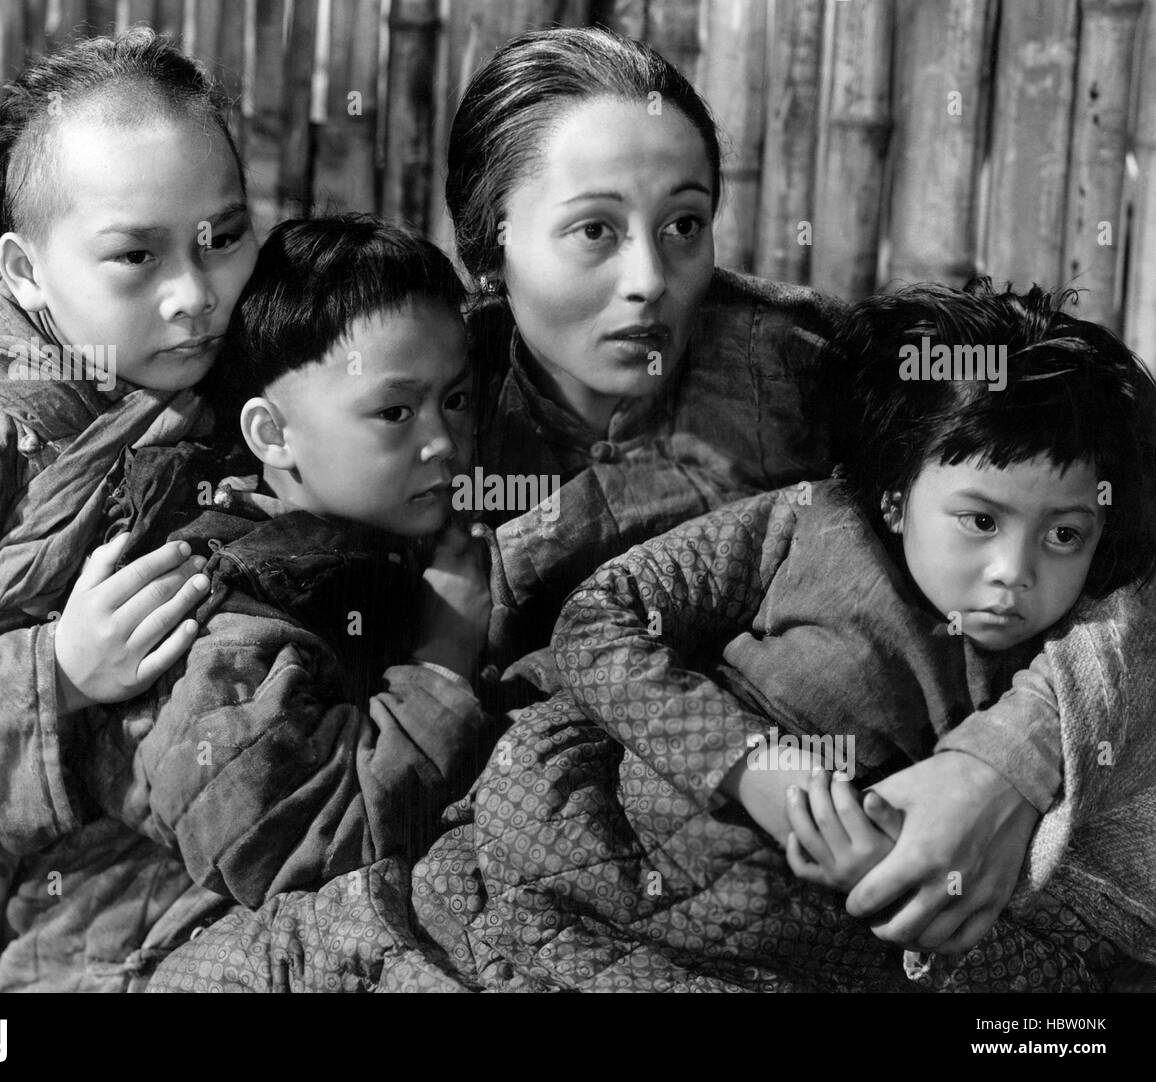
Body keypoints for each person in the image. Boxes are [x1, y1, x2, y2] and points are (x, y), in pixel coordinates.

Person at [443, 25, 1066, 959]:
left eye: (684, 225)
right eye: (594, 231)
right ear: (489, 247)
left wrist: (1006, 764)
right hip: (546, 851)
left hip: (847, 861)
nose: (651, 281)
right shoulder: (405, 404)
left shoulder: (807, 363)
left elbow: (1101, 524)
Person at [547, 278, 1156, 987]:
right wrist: (749, 766)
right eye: (981, 521)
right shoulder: (812, 522)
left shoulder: (1078, 667)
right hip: (610, 828)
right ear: (897, 498)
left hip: (807, 947)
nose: (1014, 573)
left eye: (1064, 534)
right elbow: (597, 618)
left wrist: (885, 867)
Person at [0, 27, 258, 991]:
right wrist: (59, 672)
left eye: (224, 239)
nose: (195, 297)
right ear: (25, 269)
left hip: (158, 906)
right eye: (135, 256)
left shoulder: (251, 397)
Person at [86, 215, 497, 908]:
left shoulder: (386, 533)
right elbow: (314, 856)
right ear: (271, 435)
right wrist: (442, 660)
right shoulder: (222, 632)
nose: (442, 442)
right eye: (395, 412)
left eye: (454, 400)